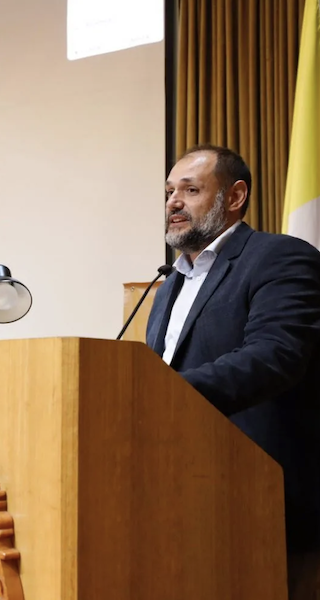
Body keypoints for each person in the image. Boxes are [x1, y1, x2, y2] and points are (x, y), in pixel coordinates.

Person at [147, 144, 320, 598]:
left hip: (263, 501)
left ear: (235, 196)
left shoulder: (279, 257)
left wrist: (162, 394)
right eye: (169, 191)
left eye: (190, 189)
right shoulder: (168, 285)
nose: (173, 202)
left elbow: (274, 355)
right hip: (179, 497)